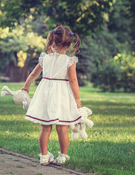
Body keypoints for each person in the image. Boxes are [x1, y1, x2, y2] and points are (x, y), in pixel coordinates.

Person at [21, 25, 82, 166]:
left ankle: (43, 156)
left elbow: (34, 74)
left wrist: (26, 86)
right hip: (61, 95)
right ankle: (63, 156)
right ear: (68, 45)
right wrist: (77, 99)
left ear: (51, 41)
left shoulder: (45, 58)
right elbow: (73, 81)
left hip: (45, 94)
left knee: (45, 127)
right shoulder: (69, 61)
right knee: (62, 127)